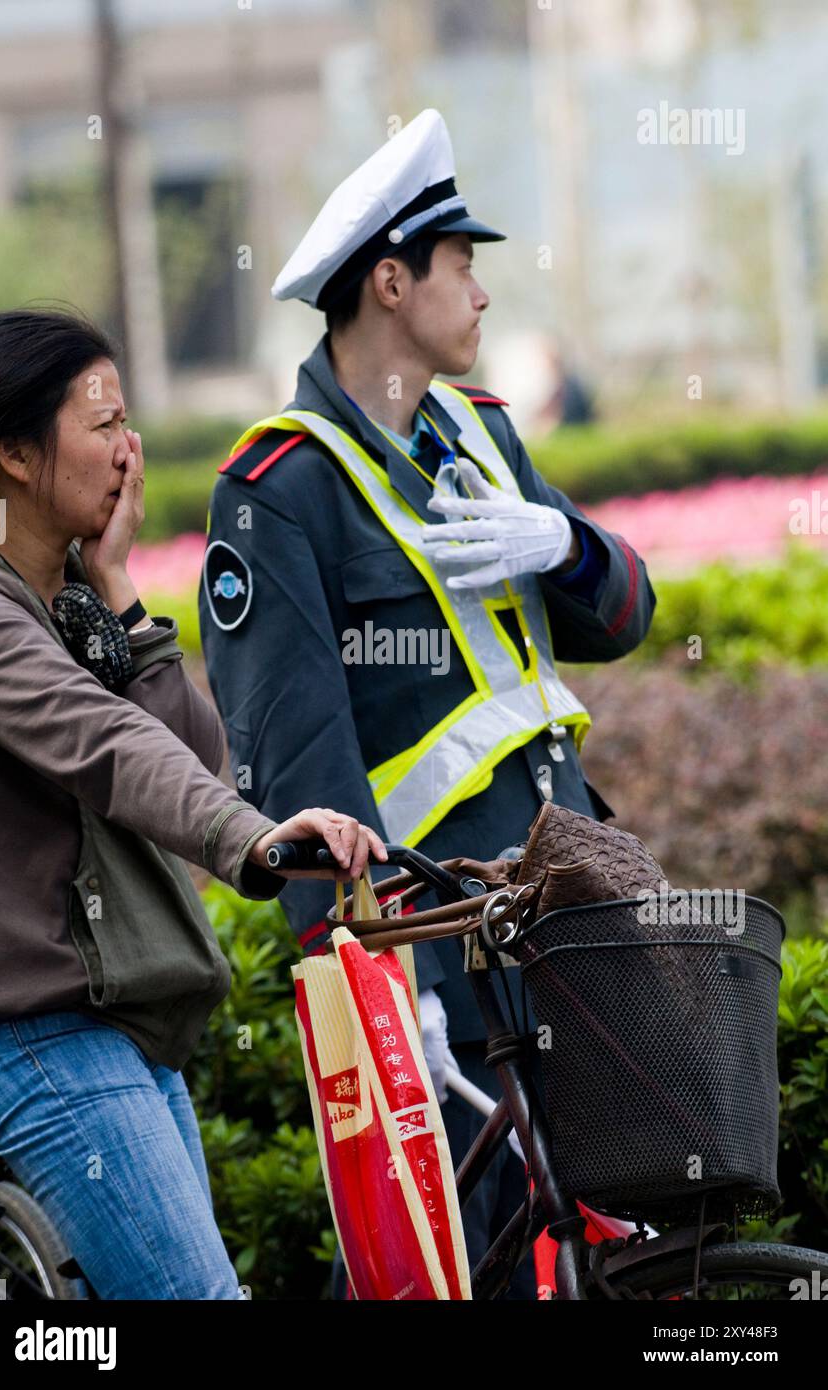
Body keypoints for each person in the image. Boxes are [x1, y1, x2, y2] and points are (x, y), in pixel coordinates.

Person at [199, 109, 656, 1298]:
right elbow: (296, 765)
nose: (482, 297)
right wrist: (371, 991)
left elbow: (622, 619)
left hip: (561, 904)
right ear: (391, 283)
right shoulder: (277, 490)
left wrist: (563, 544)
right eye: (464, 267)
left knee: (614, 1241)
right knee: (459, 1259)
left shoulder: (485, 438)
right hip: (429, 946)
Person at [0, 308, 386, 1301]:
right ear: (17, 454)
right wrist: (257, 840)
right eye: (104, 425)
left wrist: (114, 584)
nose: (131, 451)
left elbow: (195, 757)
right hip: (36, 1033)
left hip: (116, 1026)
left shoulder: (62, 598)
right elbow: (106, 746)